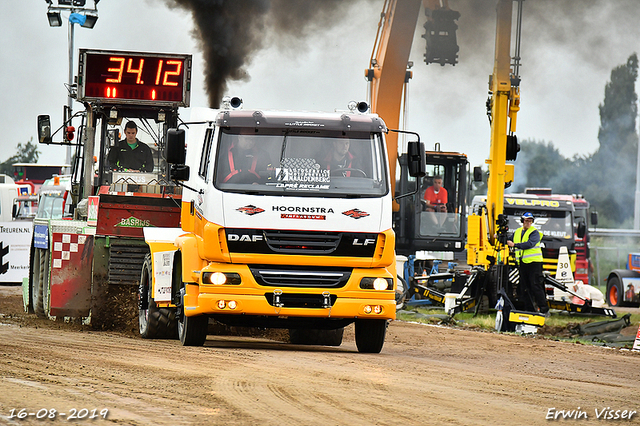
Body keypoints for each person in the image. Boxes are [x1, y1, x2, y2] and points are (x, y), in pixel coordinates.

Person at [507, 212, 549, 314]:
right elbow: (509, 240)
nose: (528, 223)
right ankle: (529, 310)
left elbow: (529, 244)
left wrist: (515, 245)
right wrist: (500, 237)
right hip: (523, 263)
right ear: (522, 221)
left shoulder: (534, 232)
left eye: (530, 221)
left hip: (534, 263)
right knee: (524, 287)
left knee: (536, 286)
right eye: (526, 221)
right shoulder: (517, 232)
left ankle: (544, 309)